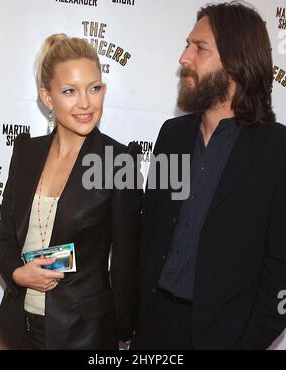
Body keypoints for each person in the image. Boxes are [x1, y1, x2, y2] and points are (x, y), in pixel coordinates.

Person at [131, 2, 286, 350]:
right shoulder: (171, 134)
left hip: (224, 337)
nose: (184, 58)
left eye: (199, 48)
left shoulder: (277, 149)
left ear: (236, 62)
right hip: (153, 329)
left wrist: (246, 343)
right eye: (187, 45)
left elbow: (281, 267)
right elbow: (150, 234)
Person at [0, 34, 142, 350]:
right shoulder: (26, 153)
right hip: (16, 327)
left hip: (83, 334)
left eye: (94, 88)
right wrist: (17, 274)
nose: (86, 102)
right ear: (47, 98)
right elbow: (4, 236)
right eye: (69, 91)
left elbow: (127, 260)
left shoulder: (117, 162)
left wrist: (124, 327)